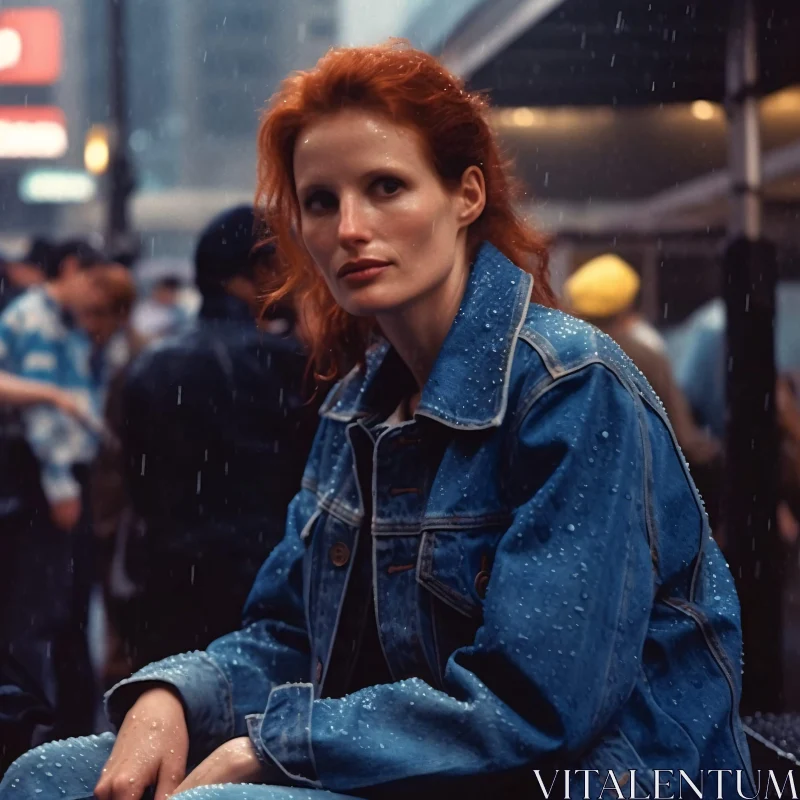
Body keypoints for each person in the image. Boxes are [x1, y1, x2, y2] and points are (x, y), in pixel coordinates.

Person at [0, 41, 753, 800]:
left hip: (592, 779)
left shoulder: (570, 387)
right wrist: (174, 696)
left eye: (386, 186)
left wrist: (269, 750)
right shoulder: (358, 402)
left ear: (467, 195)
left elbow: (535, 702)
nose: (349, 227)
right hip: (413, 763)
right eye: (320, 202)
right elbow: (290, 636)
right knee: (45, 777)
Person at [111, 206, 320, 672]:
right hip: (264, 590)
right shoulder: (293, 365)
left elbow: (137, 486)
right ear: (262, 268)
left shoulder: (149, 364)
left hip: (167, 587)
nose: (302, 277)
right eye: (290, 263)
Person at [0, 240, 117, 744]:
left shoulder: (62, 319)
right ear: (71, 270)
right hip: (46, 478)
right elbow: (42, 416)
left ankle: (60, 730)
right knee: (40, 613)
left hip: (66, 473)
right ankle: (32, 732)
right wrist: (59, 483)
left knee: (64, 610)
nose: (95, 293)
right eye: (92, 280)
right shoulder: (36, 317)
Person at [563, 253, 724, 530]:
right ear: (627, 307)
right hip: (637, 506)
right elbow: (683, 439)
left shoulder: (556, 355)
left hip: (573, 503)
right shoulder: (645, 356)